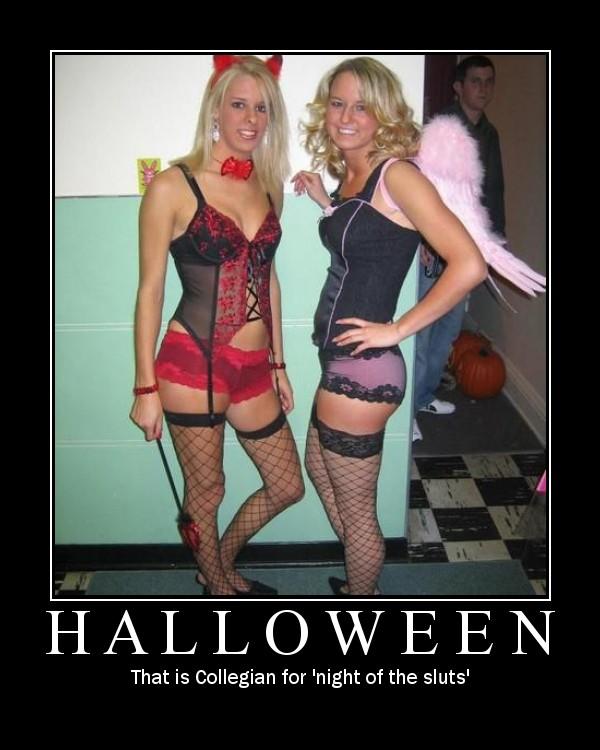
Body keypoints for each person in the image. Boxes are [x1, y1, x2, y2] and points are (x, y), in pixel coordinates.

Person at [292, 57, 487, 596]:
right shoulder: (356, 176)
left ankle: (363, 596)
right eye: (338, 103)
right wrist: (326, 200)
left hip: (364, 368)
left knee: (357, 513)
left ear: (383, 115)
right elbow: (366, 243)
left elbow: (469, 264)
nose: (345, 116)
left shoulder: (397, 174)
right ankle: (364, 573)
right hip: (342, 362)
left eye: (362, 107)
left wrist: (396, 329)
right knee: (319, 468)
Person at [130, 54, 304, 596]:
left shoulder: (268, 185)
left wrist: (278, 361)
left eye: (262, 108)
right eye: (239, 105)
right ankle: (219, 587)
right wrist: (145, 388)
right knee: (207, 491)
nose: (251, 119)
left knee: (287, 485)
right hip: (193, 363)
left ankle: (216, 565)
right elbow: (150, 291)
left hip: (253, 366)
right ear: (215, 110)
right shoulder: (173, 186)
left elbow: (268, 278)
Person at [413, 54, 504, 441]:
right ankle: (407, 410)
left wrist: (494, 245)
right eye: (475, 81)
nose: (483, 88)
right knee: (422, 328)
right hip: (436, 244)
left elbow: (493, 192)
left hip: (469, 247)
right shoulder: (441, 129)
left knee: (449, 328)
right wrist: (424, 237)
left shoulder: (490, 134)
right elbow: (421, 187)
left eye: (488, 81)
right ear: (458, 87)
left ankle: (423, 396)